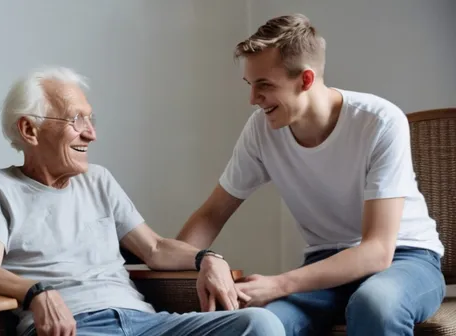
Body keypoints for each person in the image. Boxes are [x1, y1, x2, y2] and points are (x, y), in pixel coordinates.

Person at [0, 67, 285, 336]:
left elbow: (154, 249)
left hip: (146, 323)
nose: (91, 134)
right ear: (30, 129)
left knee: (260, 323)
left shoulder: (98, 179)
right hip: (71, 328)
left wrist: (208, 258)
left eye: (91, 120)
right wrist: (36, 292)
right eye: (76, 121)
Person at [176, 13, 446, 336]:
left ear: (305, 80)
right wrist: (183, 265)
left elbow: (377, 251)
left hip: (406, 259)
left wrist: (278, 284)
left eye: (264, 86)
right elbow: (211, 215)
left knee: (373, 305)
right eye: (250, 85)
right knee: (259, 324)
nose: (252, 100)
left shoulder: (380, 122)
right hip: (324, 266)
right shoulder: (261, 131)